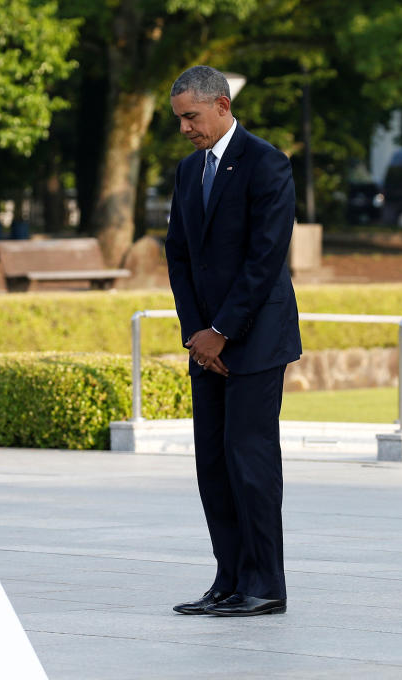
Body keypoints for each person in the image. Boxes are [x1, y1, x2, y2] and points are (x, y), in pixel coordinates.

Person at [165, 66, 302, 617]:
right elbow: (179, 256)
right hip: (207, 346)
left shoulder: (268, 164)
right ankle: (229, 580)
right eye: (179, 119)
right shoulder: (186, 171)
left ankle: (264, 585)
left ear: (222, 105)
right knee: (213, 465)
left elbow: (265, 259)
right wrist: (199, 337)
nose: (184, 129)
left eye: (191, 117)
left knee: (251, 463)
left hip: (255, 342)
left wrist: (221, 333)